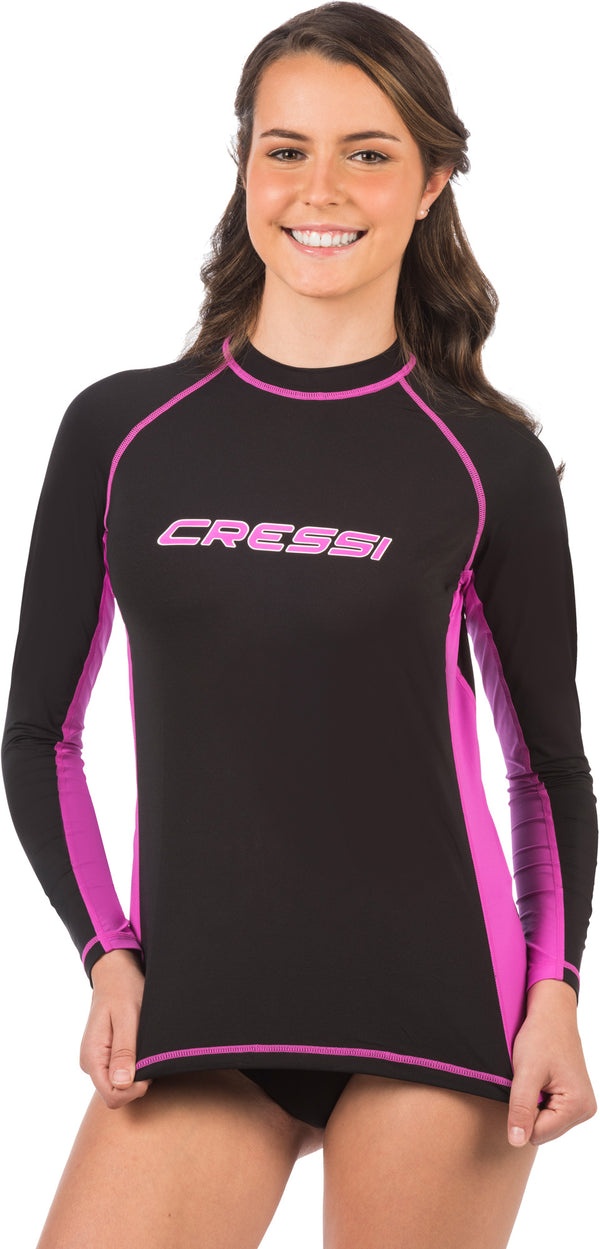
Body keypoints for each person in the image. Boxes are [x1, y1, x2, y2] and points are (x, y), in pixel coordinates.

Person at [2, 2, 598, 1245]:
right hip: (201, 1008)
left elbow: (545, 766)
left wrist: (556, 991)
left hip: (440, 1013)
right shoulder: (123, 432)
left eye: (368, 152)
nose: (319, 188)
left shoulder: (485, 461)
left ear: (431, 182)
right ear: (246, 168)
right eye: (286, 148)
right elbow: (39, 735)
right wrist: (107, 953)